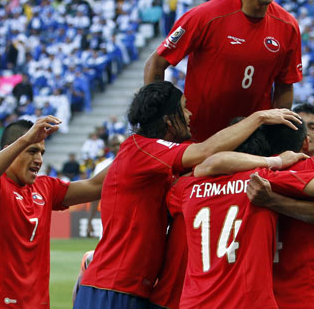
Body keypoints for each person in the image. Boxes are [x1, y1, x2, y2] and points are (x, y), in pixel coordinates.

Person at [74, 81, 301, 308]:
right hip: (113, 286)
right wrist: (259, 118)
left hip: (135, 286)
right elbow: (207, 153)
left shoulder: (157, 160)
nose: (190, 114)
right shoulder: (141, 149)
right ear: (168, 119)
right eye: (184, 108)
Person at [167, 120, 314, 308]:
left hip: (193, 302)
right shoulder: (261, 179)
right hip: (247, 302)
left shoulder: (188, 187)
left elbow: (206, 166)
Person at [144, 0, 303, 142]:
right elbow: (155, 64)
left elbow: (285, 86)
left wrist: (274, 137)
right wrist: (158, 123)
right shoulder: (206, 15)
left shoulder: (289, 26)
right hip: (197, 141)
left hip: (251, 146)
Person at [0, 116, 108, 308]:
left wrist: (136, 144)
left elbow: (96, 185)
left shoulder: (45, 188)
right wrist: (26, 138)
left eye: (41, 152)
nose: (39, 160)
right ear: (11, 149)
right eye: (32, 151)